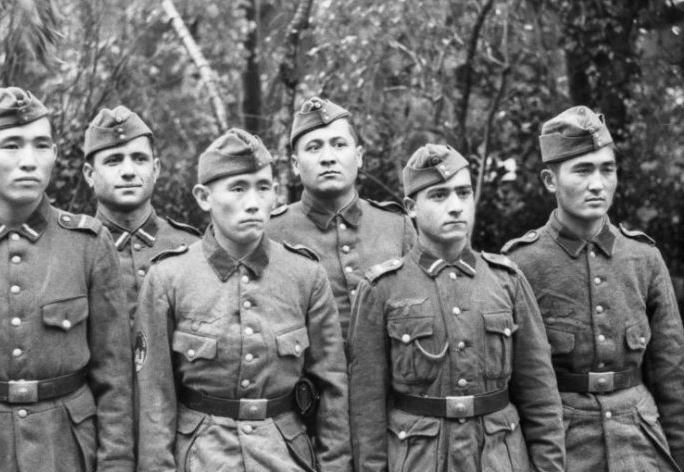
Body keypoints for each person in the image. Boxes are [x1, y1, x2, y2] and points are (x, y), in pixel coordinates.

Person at [134, 128, 351, 471]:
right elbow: (154, 400)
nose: (253, 202)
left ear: (276, 194)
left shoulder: (306, 274)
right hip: (201, 457)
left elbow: (332, 389)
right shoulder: (168, 278)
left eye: (263, 188)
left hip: (286, 455)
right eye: (237, 188)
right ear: (204, 198)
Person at [0, 87, 133, 471]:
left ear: (55, 155)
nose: (29, 161)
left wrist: (115, 465)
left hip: (64, 449)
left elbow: (114, 379)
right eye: (11, 146)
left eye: (41, 145)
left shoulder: (89, 244)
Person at [349, 143, 565, 471]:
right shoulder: (381, 288)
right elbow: (367, 409)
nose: (455, 206)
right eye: (438, 195)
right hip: (417, 460)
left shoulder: (507, 280)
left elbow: (541, 396)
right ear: (411, 207)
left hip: (498, 457)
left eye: (463, 193)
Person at [502, 105, 684, 471]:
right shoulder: (520, 264)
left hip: (641, 441)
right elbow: (514, 383)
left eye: (607, 169)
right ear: (550, 181)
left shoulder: (643, 257)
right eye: (582, 170)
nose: (598, 184)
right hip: (562, 445)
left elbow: (671, 373)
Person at [267, 96, 416, 338]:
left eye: (339, 144)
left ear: (358, 156)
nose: (328, 157)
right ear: (295, 164)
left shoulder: (397, 226)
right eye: (314, 147)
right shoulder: (270, 233)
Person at [82, 105, 200, 326]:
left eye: (139, 159)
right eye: (113, 160)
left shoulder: (191, 248)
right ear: (90, 174)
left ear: (155, 170)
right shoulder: (76, 250)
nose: (128, 171)